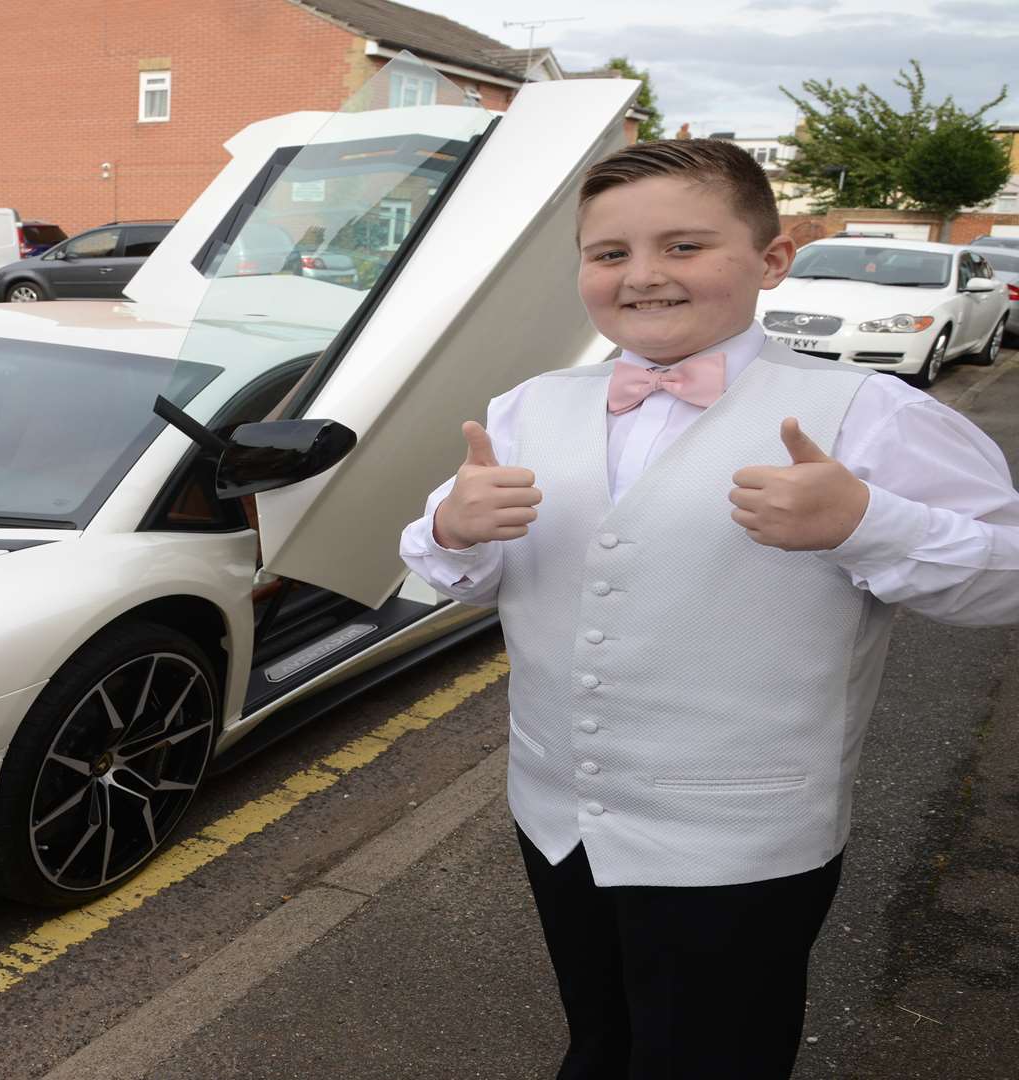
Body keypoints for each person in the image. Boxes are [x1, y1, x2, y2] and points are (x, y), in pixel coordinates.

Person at [398, 139, 1019, 1079]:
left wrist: (867, 522)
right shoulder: (527, 406)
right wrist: (451, 528)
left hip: (743, 840)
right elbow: (460, 577)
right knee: (599, 1039)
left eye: (684, 247)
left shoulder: (868, 413)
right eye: (609, 254)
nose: (642, 276)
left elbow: (1005, 579)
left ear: (771, 260)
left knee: (715, 1058)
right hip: (558, 816)